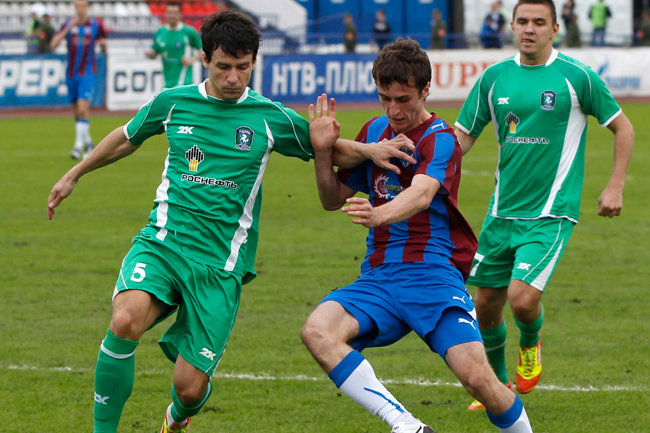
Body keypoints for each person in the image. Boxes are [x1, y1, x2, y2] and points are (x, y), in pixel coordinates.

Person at [47, 10, 401, 433]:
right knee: (125, 320)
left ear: (254, 62)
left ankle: (178, 417)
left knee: (189, 389)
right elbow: (127, 137)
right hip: (164, 243)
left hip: (220, 266)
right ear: (205, 59)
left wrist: (368, 150)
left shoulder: (269, 117)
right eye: (223, 66)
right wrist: (74, 174)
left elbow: (326, 145)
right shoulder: (174, 102)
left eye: (243, 67)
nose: (234, 78)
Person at [303, 38, 535, 433]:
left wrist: (378, 214)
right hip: (378, 278)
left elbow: (422, 194)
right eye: (384, 98)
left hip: (432, 275)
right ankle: (406, 424)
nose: (393, 110)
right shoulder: (374, 130)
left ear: (426, 90)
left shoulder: (440, 137)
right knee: (317, 331)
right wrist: (323, 153)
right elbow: (331, 199)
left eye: (403, 99)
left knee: (478, 380)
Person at [454, 0, 634, 411]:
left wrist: (615, 186)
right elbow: (462, 138)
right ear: (511, 25)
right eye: (522, 21)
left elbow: (623, 127)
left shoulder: (577, 76)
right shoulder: (494, 79)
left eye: (539, 22)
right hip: (501, 213)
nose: (529, 29)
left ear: (554, 28)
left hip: (551, 213)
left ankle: (530, 343)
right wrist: (427, 169)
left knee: (521, 298)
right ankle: (499, 386)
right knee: (485, 305)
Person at [50, 0, 107, 160]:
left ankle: (77, 146)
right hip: (71, 73)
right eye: (77, 6)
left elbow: (104, 46)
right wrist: (68, 28)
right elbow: (53, 45)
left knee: (83, 108)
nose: (80, 9)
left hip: (88, 72)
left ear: (88, 7)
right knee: (77, 112)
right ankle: (88, 143)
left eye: (83, 5)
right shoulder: (67, 24)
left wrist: (103, 45)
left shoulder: (96, 26)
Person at [146, 2, 202, 89]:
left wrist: (191, 60)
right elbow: (155, 52)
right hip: (166, 83)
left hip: (184, 83)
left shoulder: (189, 32)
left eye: (175, 13)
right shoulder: (160, 32)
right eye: (169, 12)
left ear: (180, 15)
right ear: (165, 14)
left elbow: (203, 51)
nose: (172, 15)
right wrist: (150, 54)